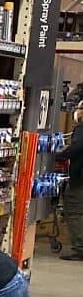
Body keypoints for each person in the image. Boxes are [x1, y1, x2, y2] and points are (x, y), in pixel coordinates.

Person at [59, 101, 83, 260]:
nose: (76, 111)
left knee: (74, 211)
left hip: (80, 179)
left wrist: (60, 155)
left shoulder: (82, 129)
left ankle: (80, 249)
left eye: (79, 108)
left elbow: (78, 147)